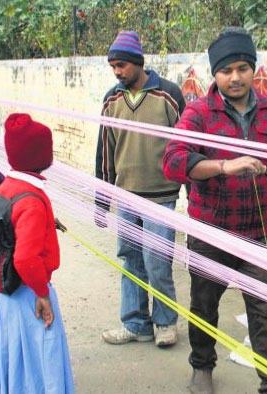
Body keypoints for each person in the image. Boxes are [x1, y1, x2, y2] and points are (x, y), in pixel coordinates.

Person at [163, 27, 267, 394]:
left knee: (266, 311)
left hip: (260, 233)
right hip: (210, 233)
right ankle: (202, 367)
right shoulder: (199, 113)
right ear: (214, 74)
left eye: (242, 68)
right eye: (226, 70)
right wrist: (223, 166)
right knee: (204, 307)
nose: (235, 77)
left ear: (253, 69)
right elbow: (172, 161)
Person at [95, 30, 186, 347]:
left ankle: (165, 323)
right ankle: (136, 323)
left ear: (137, 62)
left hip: (161, 199)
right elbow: (105, 152)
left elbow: (187, 147)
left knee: (157, 261)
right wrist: (102, 201)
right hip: (126, 198)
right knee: (131, 261)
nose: (117, 72)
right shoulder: (112, 99)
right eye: (113, 67)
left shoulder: (169, 95)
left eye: (121, 65)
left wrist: (193, 194)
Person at [0, 113, 75, 394]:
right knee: (37, 357)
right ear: (38, 155)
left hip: (7, 295)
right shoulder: (31, 200)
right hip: (28, 295)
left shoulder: (7, 188)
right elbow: (25, 258)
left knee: (13, 359)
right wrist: (42, 293)